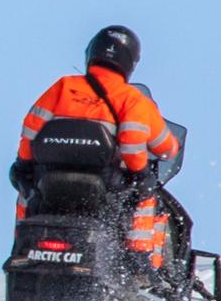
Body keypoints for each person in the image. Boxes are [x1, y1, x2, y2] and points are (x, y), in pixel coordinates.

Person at [15, 25, 184, 272]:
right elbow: (146, 142)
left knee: (25, 192)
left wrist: (24, 164)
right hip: (105, 184)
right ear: (130, 62)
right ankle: (139, 260)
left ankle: (21, 245)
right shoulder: (132, 99)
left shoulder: (63, 87)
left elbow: (31, 127)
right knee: (146, 196)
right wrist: (142, 171)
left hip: (51, 181)